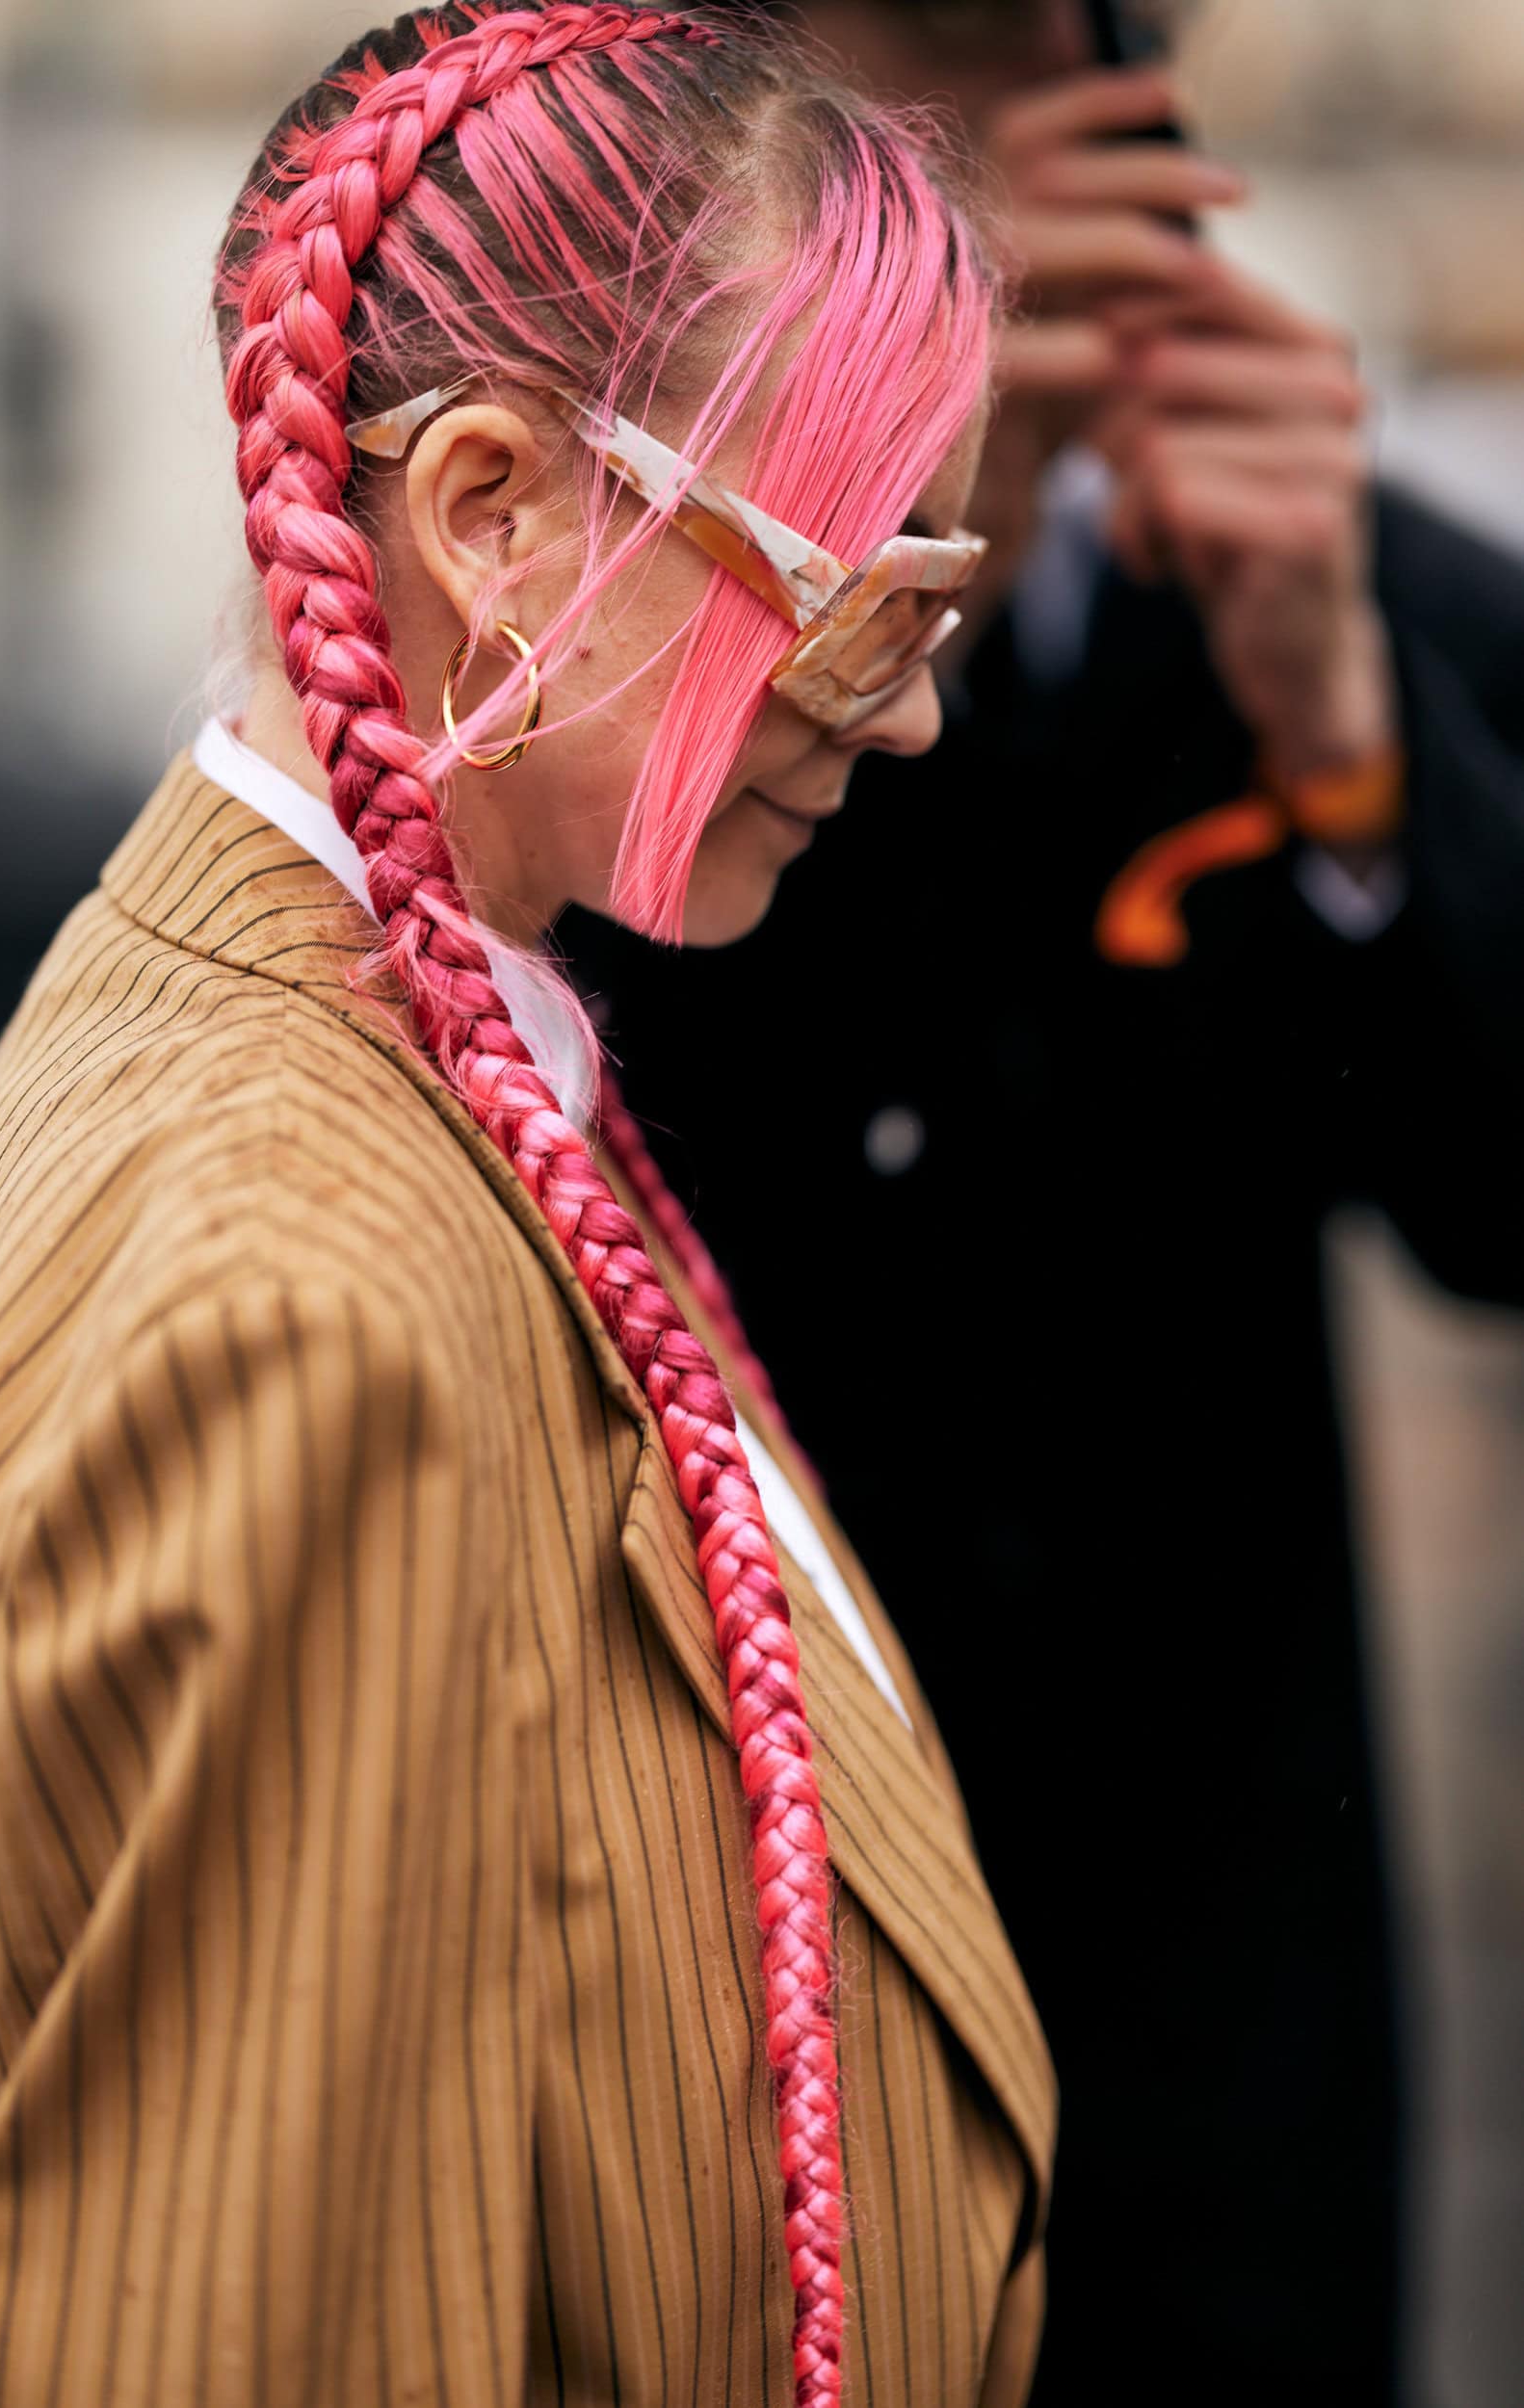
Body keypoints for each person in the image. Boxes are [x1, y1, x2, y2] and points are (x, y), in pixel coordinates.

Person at [0, 10, 1058, 2404]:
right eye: (857, 598)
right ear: (488, 510)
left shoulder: (386, 1047)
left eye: (936, 599)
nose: (914, 706)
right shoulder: (306, 1307)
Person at [563, 5, 1524, 2405]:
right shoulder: (596, 638)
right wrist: (884, 539)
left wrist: (1347, 736)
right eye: (872, 142)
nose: (941, 214)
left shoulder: (1350, 586)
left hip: (1206, 2054)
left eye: (1009, 117)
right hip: (712, 2007)